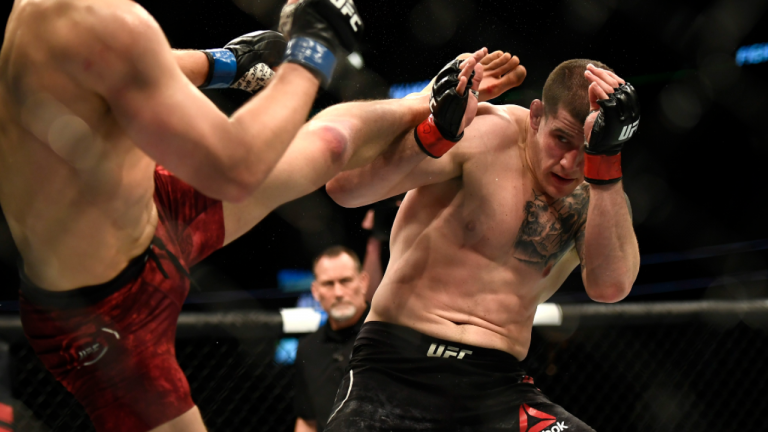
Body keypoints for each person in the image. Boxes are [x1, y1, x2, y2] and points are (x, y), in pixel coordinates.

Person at [0, 0, 364, 430]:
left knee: (326, 148)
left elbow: (124, 67)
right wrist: (313, 47)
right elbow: (237, 168)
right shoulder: (103, 20)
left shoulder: (43, 14)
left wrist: (223, 64)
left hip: (151, 208)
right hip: (101, 314)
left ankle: (428, 114)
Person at [312, 56, 640, 431]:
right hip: (395, 367)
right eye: (560, 138)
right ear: (536, 116)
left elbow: (610, 287)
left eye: (586, 147)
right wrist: (434, 131)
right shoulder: (485, 133)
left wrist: (606, 167)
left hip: (497, 386)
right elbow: (343, 190)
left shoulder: (599, 188)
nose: (569, 163)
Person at [293, 246, 369, 432]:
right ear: (316, 291)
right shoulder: (308, 349)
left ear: (363, 282)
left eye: (346, 281)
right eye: (328, 284)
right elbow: (307, 421)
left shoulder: (388, 335)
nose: (338, 293)